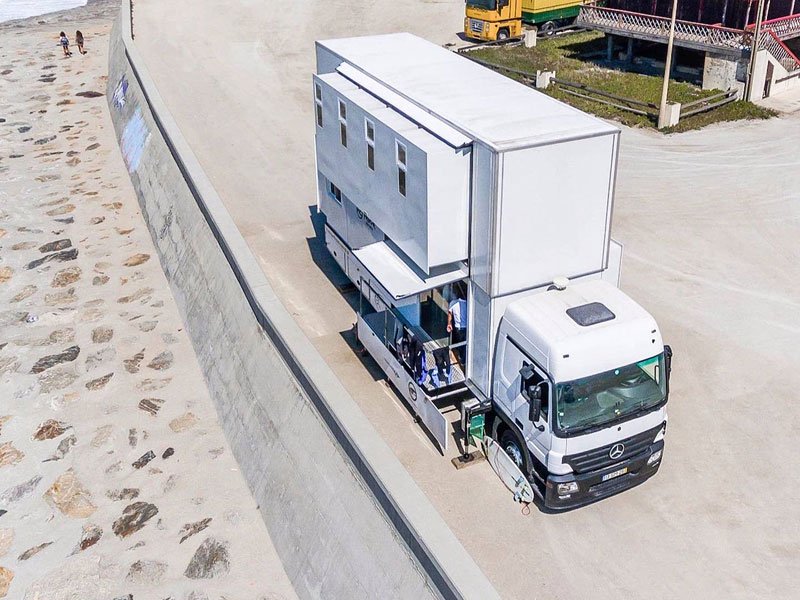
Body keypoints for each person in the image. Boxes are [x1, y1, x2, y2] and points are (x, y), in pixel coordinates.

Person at [447, 287, 468, 364]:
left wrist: (449, 323)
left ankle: (460, 356)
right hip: (465, 327)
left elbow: (449, 313)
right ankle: (463, 359)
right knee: (464, 343)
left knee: (460, 342)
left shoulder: (453, 303)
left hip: (457, 326)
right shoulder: (467, 303)